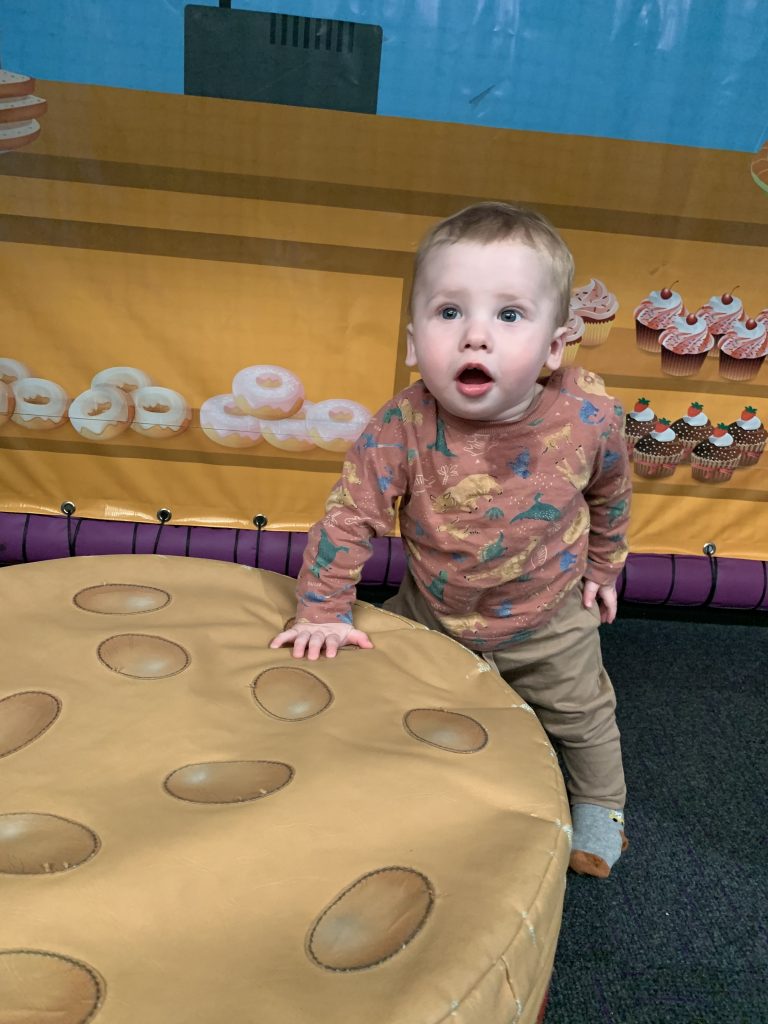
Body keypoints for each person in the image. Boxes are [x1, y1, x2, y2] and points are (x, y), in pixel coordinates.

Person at [270, 202, 632, 878]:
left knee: (582, 713)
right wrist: (321, 608)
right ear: (412, 343)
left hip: (550, 614)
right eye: (448, 313)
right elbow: (350, 516)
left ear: (556, 347)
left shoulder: (589, 418)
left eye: (509, 315)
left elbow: (609, 493)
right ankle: (379, 786)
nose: (475, 338)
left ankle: (601, 805)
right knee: (373, 695)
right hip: (432, 610)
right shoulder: (402, 424)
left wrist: (606, 568)